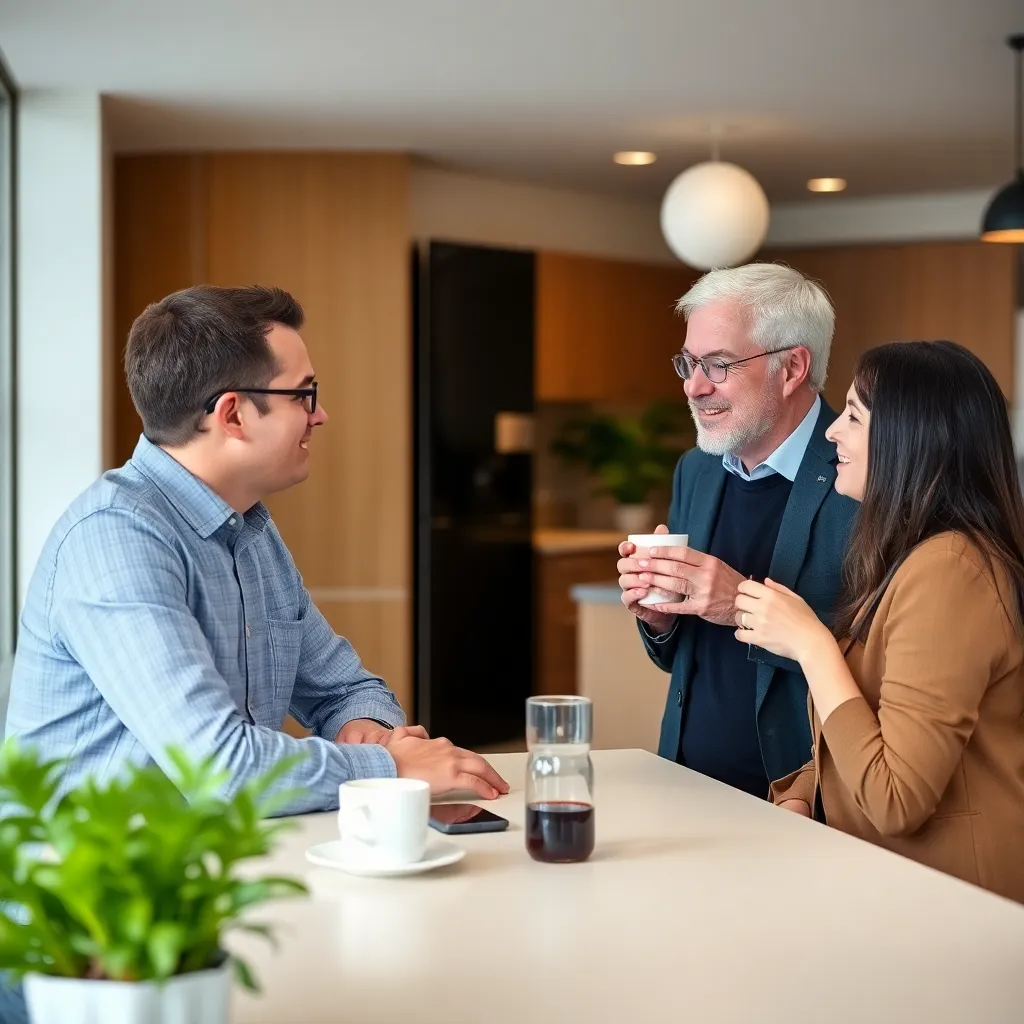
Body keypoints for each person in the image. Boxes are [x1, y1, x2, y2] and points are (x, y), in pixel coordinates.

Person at [6, 285, 509, 814]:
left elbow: (345, 687)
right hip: (102, 890)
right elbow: (222, 769)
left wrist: (369, 730)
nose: (320, 416)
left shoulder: (249, 529)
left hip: (214, 863)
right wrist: (391, 767)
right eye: (304, 394)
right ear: (234, 415)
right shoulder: (114, 539)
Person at [736, 340, 1024, 903]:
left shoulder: (951, 570)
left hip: (955, 904)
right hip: (903, 889)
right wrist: (805, 790)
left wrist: (811, 645)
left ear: (910, 440)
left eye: (853, 416)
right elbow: (876, 720)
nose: (831, 433)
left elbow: (897, 800)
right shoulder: (916, 556)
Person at [617, 264, 857, 797]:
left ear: (792, 367)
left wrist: (737, 603)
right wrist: (660, 619)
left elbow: (877, 660)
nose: (693, 387)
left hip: (803, 802)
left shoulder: (864, 476)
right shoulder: (696, 469)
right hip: (684, 783)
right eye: (688, 362)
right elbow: (683, 657)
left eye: (719, 365)